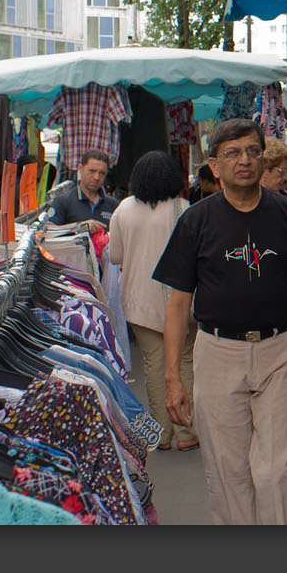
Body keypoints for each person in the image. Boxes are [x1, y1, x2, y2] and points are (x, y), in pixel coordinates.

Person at [152, 118, 287, 525]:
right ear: (214, 166)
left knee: (281, 472)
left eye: (252, 151)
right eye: (232, 153)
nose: (245, 160)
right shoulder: (195, 221)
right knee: (228, 475)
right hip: (217, 354)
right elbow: (178, 304)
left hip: (281, 350)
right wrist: (172, 378)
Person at [105, 151, 198, 451]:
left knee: (155, 365)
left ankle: (162, 436)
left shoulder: (122, 210)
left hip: (138, 302)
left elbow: (115, 256)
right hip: (181, 301)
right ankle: (187, 432)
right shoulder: (185, 209)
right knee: (184, 363)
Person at [47, 149, 119, 233]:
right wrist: (79, 227)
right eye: (92, 171)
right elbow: (48, 231)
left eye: (102, 173)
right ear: (80, 169)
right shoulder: (63, 201)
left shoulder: (112, 204)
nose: (96, 177)